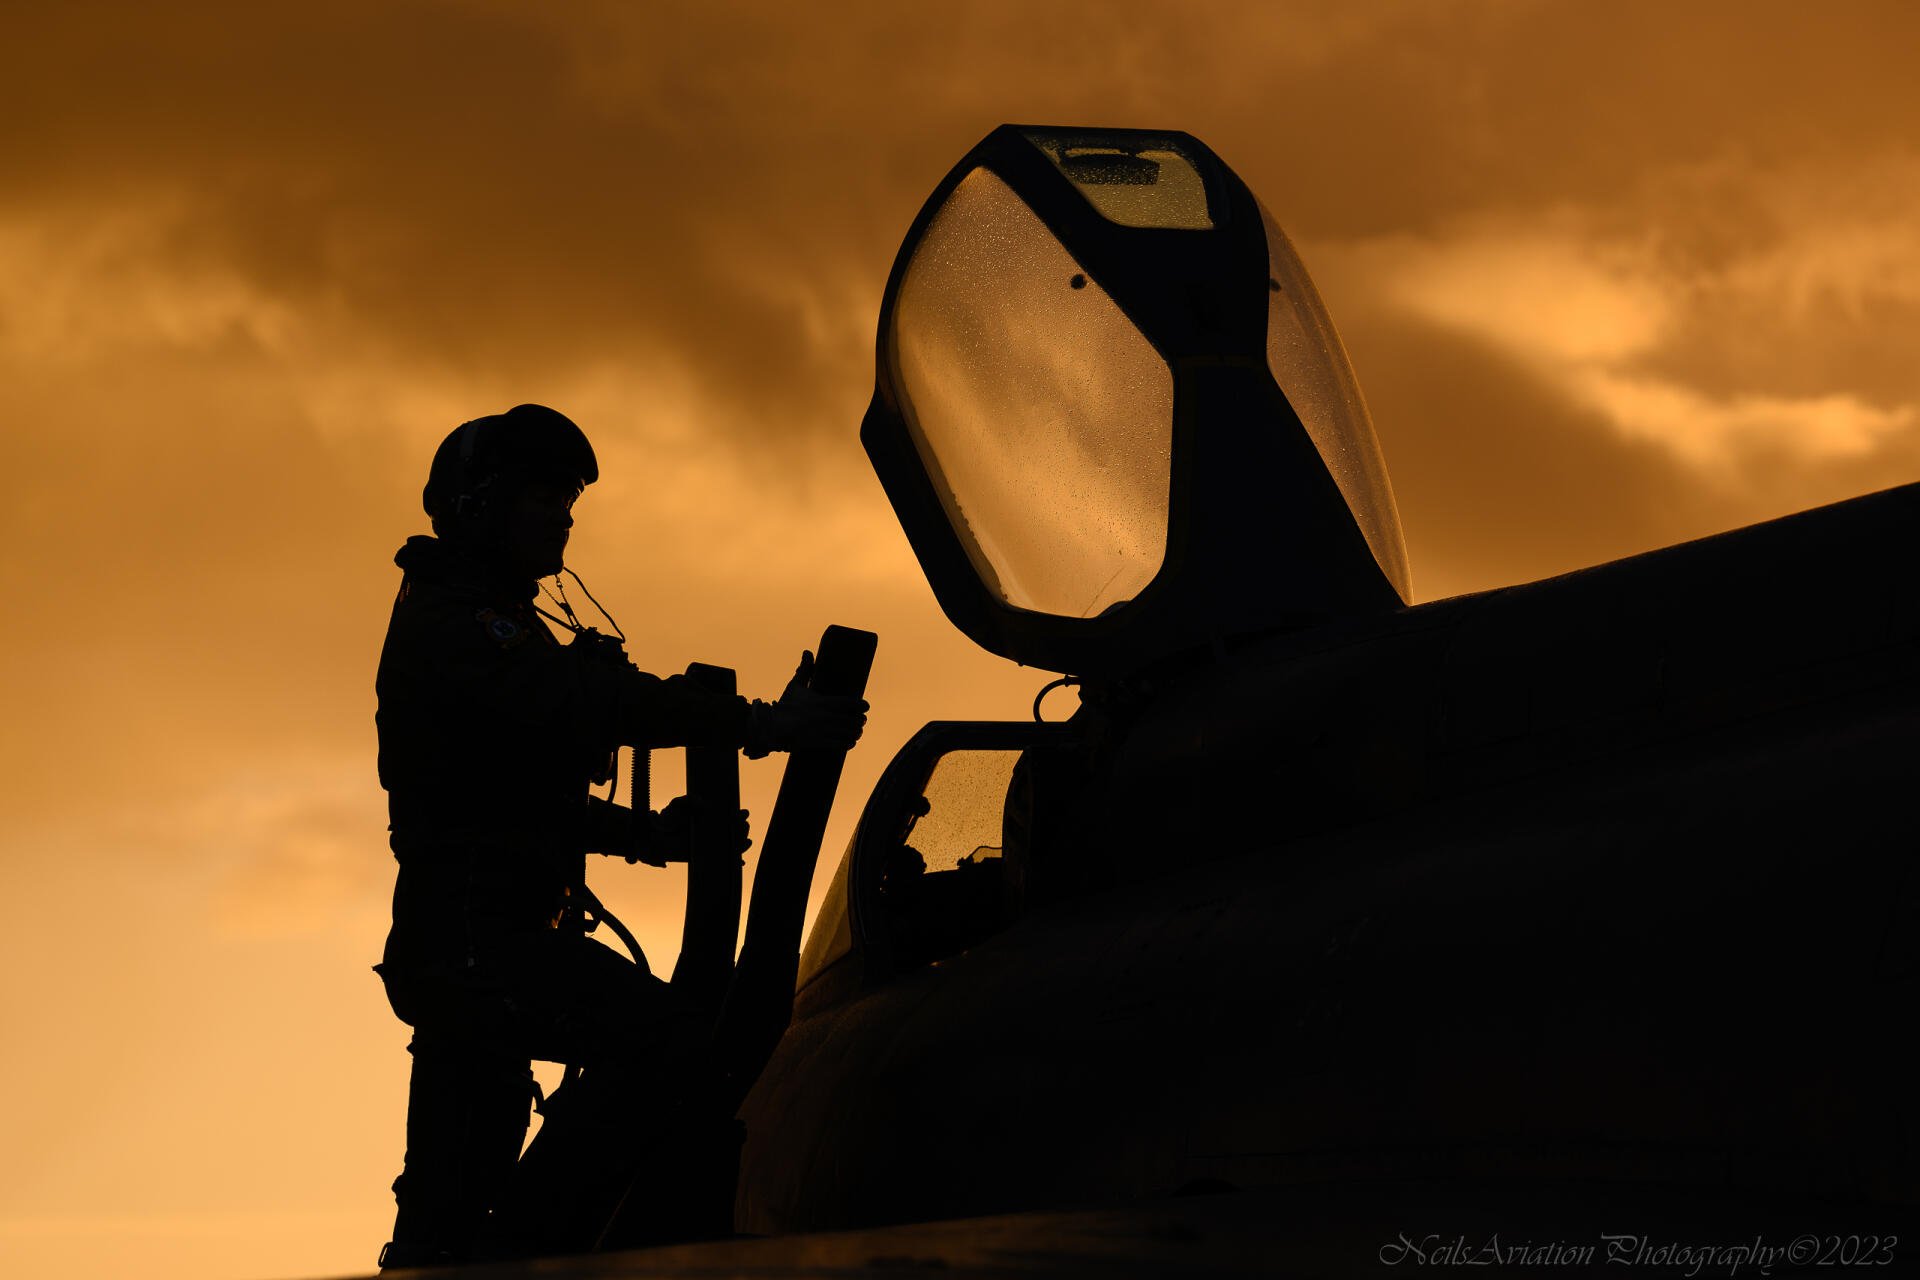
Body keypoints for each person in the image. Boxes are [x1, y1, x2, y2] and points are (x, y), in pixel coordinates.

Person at [372, 404, 865, 1268]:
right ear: (482, 506)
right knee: (669, 1040)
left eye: (568, 499)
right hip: (479, 952)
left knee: (442, 1225)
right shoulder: (459, 629)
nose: (564, 517)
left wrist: (648, 837)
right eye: (545, 497)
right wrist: (764, 724)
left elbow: (511, 800)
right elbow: (594, 703)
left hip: (478, 953)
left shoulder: (494, 625)